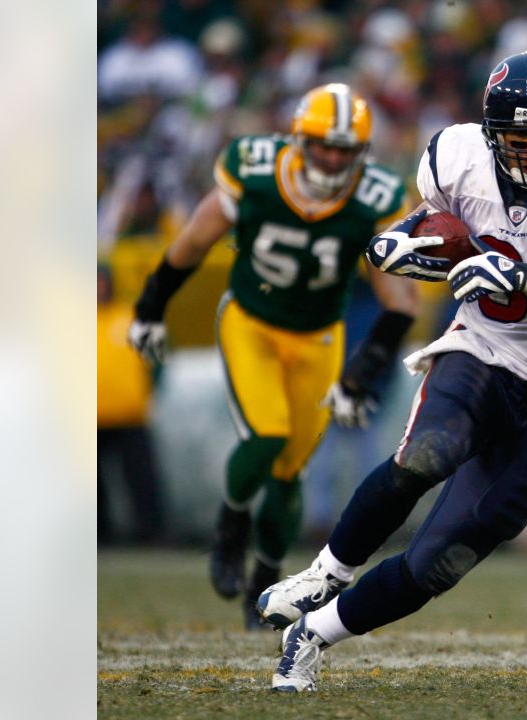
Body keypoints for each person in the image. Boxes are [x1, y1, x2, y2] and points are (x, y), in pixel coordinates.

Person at [255, 51, 527, 692]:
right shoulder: (455, 155)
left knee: (443, 560)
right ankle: (327, 570)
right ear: (492, 134)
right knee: (427, 455)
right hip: (482, 346)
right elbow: (437, 228)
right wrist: (401, 238)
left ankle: (316, 633)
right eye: (518, 139)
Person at [128, 83, 419, 630]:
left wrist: (365, 369)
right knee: (265, 436)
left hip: (319, 337)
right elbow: (194, 241)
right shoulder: (255, 169)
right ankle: (230, 526)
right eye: (322, 145)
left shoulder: (377, 196)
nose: (333, 158)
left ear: (361, 152)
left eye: (344, 149)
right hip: (252, 324)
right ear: (297, 138)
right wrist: (150, 305)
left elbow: (399, 298)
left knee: (288, 475)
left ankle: (265, 572)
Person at [98, 265, 165, 545]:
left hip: (130, 413)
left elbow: (157, 358)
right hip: (91, 416)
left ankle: (152, 532)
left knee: (141, 478)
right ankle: (101, 534)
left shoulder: (131, 316)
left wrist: (148, 390)